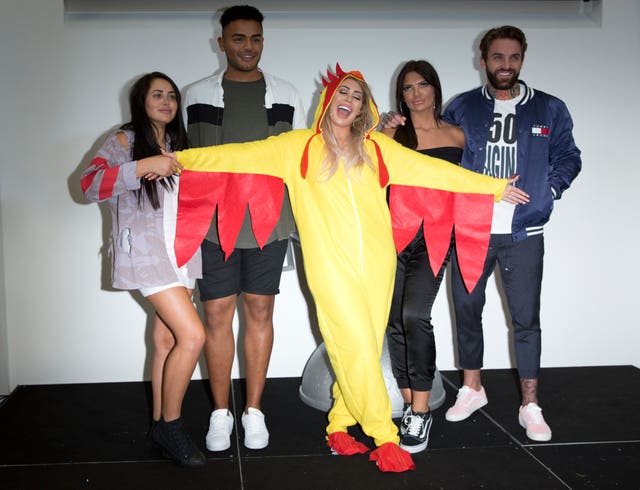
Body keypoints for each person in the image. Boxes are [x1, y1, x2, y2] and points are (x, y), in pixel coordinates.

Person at [169, 64, 528, 472]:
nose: (349, 101)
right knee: (354, 342)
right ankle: (383, 434)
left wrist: (493, 187)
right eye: (344, 93)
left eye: (358, 97)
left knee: (363, 348)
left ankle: (339, 424)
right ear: (328, 100)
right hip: (330, 267)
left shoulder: (377, 149)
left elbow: (435, 171)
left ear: (364, 109)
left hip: (378, 264)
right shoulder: (297, 147)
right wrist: (180, 160)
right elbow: (236, 155)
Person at [442, 25, 581, 442]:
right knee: (466, 311)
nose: (506, 65)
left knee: (526, 320)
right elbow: (439, 158)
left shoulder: (550, 109)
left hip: (524, 233)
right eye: (498, 58)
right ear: (482, 61)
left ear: (522, 59)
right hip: (471, 230)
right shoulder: (462, 108)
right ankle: (472, 388)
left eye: (513, 57)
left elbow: (569, 158)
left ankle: (530, 404)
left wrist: (547, 191)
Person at [182, 5, 305, 451]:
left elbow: (299, 158)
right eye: (238, 38)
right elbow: (184, 159)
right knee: (215, 314)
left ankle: (253, 410)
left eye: (255, 39)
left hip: (269, 225)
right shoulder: (195, 94)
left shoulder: (287, 93)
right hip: (213, 225)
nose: (247, 46)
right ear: (222, 43)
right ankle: (220, 412)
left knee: (259, 312)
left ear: (262, 42)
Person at [80, 72, 207, 467]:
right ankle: (171, 426)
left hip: (181, 254)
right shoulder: (124, 140)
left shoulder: (179, 145)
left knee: (167, 340)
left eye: (171, 96)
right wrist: (141, 166)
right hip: (148, 256)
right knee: (194, 336)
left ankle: (156, 427)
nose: (167, 101)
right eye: (158, 95)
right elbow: (88, 185)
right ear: (141, 100)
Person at [381, 60, 465, 454]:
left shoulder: (456, 136)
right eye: (408, 87)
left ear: (435, 88)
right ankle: (408, 403)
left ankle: (421, 409)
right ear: (402, 95)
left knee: (415, 315)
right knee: (394, 322)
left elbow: (468, 185)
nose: (416, 93)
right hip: (391, 235)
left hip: (434, 237)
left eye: (423, 85)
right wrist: (379, 132)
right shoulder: (393, 135)